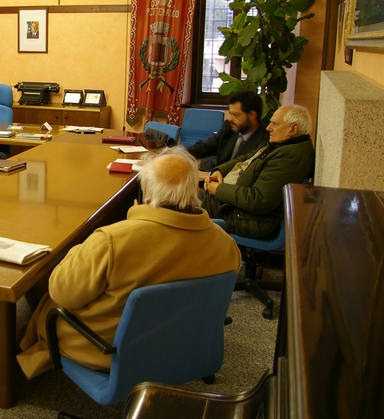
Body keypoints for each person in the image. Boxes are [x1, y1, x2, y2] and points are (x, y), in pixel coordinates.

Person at [16, 147, 241, 379]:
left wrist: (77, 252)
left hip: (109, 349)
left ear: (145, 191)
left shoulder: (113, 240)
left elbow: (63, 293)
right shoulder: (227, 246)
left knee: (49, 294)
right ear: (195, 190)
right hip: (184, 343)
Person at [201, 104, 314, 239]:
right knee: (190, 194)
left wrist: (219, 189)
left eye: (275, 124)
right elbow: (246, 158)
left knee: (186, 202)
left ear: (293, 129)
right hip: (239, 206)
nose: (268, 127)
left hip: (250, 219)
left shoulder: (289, 157)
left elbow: (259, 200)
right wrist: (220, 170)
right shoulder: (282, 144)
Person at [187, 90, 270, 171]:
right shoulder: (229, 128)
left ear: (252, 115)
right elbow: (204, 147)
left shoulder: (265, 141)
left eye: (236, 115)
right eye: (230, 113)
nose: (230, 119)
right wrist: (178, 153)